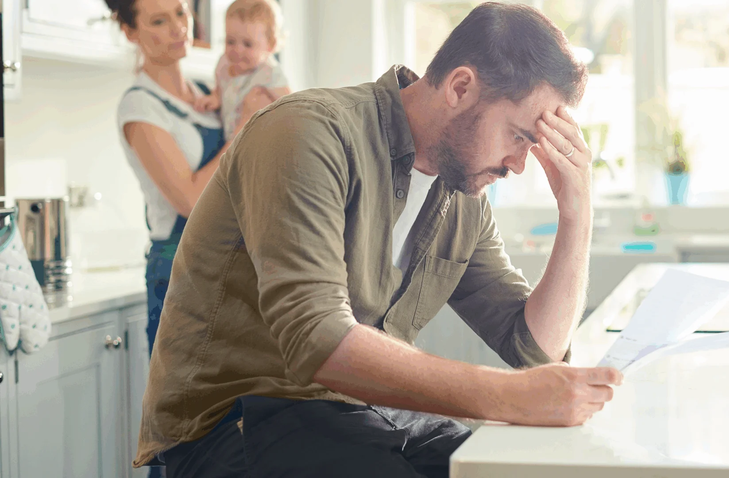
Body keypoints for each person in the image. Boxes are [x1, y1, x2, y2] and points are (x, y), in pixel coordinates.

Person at [134, 3, 623, 477]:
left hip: (362, 415)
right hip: (239, 419)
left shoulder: (463, 196)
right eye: (519, 136)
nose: (520, 164)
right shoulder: (306, 132)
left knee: (520, 471)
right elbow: (317, 337)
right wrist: (508, 395)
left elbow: (534, 349)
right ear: (460, 87)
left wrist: (576, 211)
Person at [107, 0, 275, 359]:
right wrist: (246, 125)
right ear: (130, 32)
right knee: (190, 406)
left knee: (240, 406)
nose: (178, 27)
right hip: (181, 271)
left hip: (235, 264)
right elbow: (189, 199)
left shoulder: (209, 92)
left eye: (180, 13)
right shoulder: (139, 107)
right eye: (158, 21)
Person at [194, 0, 292, 141]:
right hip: (231, 139)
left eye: (248, 44)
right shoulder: (224, 64)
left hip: (259, 141)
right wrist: (215, 98)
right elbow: (220, 89)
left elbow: (291, 104)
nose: (237, 50)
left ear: (270, 45)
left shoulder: (270, 73)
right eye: (230, 41)